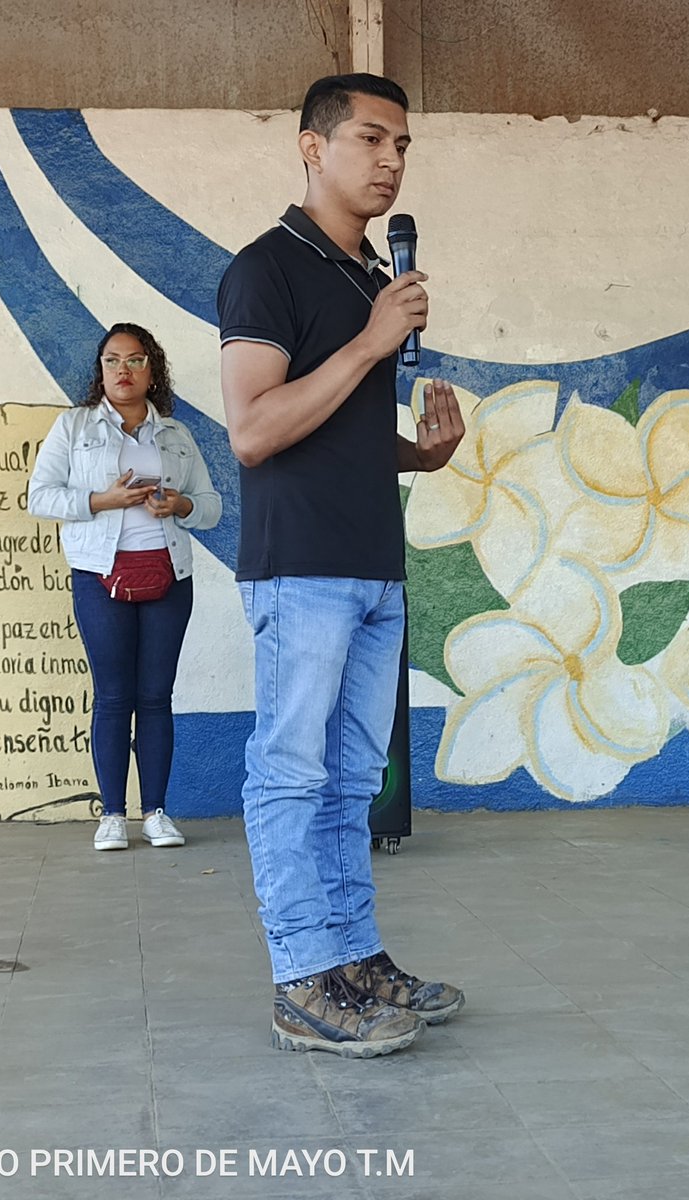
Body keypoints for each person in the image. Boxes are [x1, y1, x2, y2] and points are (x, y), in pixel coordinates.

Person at [216, 73, 467, 1057]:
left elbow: (334, 429)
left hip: (373, 562)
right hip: (301, 565)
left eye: (403, 144)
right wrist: (370, 346)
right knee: (291, 770)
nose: (392, 160)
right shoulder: (265, 271)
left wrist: (418, 453)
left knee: (353, 777)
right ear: (313, 147)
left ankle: (354, 957)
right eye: (371, 139)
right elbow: (253, 430)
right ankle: (300, 980)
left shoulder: (373, 283)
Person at [28, 323, 222, 851]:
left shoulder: (177, 436)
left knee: (156, 696)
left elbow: (211, 507)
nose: (123, 370)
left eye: (135, 360)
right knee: (114, 697)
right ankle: (112, 815)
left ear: (151, 369)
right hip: (99, 577)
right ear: (101, 370)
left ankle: (156, 812)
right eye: (113, 360)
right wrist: (99, 501)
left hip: (167, 576)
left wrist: (179, 505)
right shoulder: (74, 427)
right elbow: (39, 497)